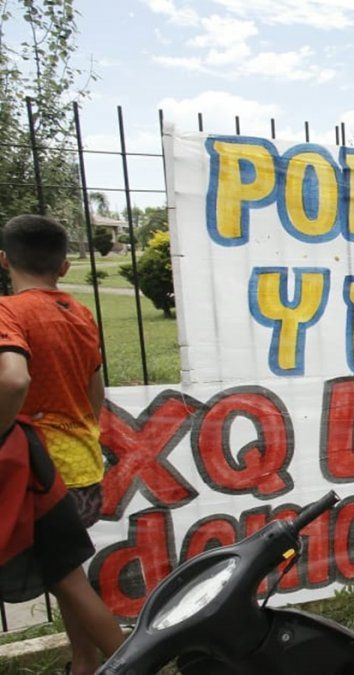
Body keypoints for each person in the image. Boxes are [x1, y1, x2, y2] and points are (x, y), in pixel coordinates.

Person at [0, 214, 124, 674]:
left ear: (3, 260)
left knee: (68, 580)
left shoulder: (9, 312)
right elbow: (95, 390)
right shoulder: (80, 313)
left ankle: (133, 664)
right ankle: (83, 664)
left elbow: (13, 379)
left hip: (42, 474)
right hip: (85, 465)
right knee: (68, 573)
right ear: (65, 267)